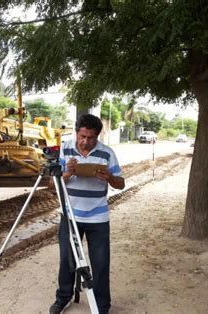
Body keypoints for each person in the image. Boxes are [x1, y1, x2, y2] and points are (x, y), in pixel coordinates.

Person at [50, 114, 125, 314]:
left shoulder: (107, 153)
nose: (85, 142)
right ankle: (63, 298)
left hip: (98, 218)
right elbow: (53, 184)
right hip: (70, 216)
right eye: (82, 136)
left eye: (90, 138)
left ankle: (102, 306)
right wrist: (67, 173)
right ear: (76, 133)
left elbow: (121, 183)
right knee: (67, 260)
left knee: (100, 264)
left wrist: (109, 177)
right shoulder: (65, 149)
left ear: (97, 136)